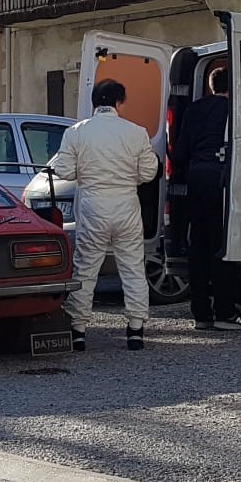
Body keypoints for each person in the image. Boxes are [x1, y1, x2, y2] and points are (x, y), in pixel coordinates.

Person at [49, 80, 158, 351]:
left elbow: (63, 170)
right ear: (120, 103)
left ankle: (78, 330)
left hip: (92, 207)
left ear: (94, 103)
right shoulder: (136, 133)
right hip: (126, 206)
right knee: (132, 268)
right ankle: (136, 329)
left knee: (86, 268)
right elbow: (148, 173)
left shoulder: (76, 132)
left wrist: (86, 172)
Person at [172, 64, 241, 331]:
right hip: (221, 179)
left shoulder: (193, 109)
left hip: (195, 178)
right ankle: (225, 311)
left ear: (211, 86)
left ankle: (201, 313)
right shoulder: (234, 110)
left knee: (198, 245)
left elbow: (179, 151)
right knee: (222, 245)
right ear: (234, 87)